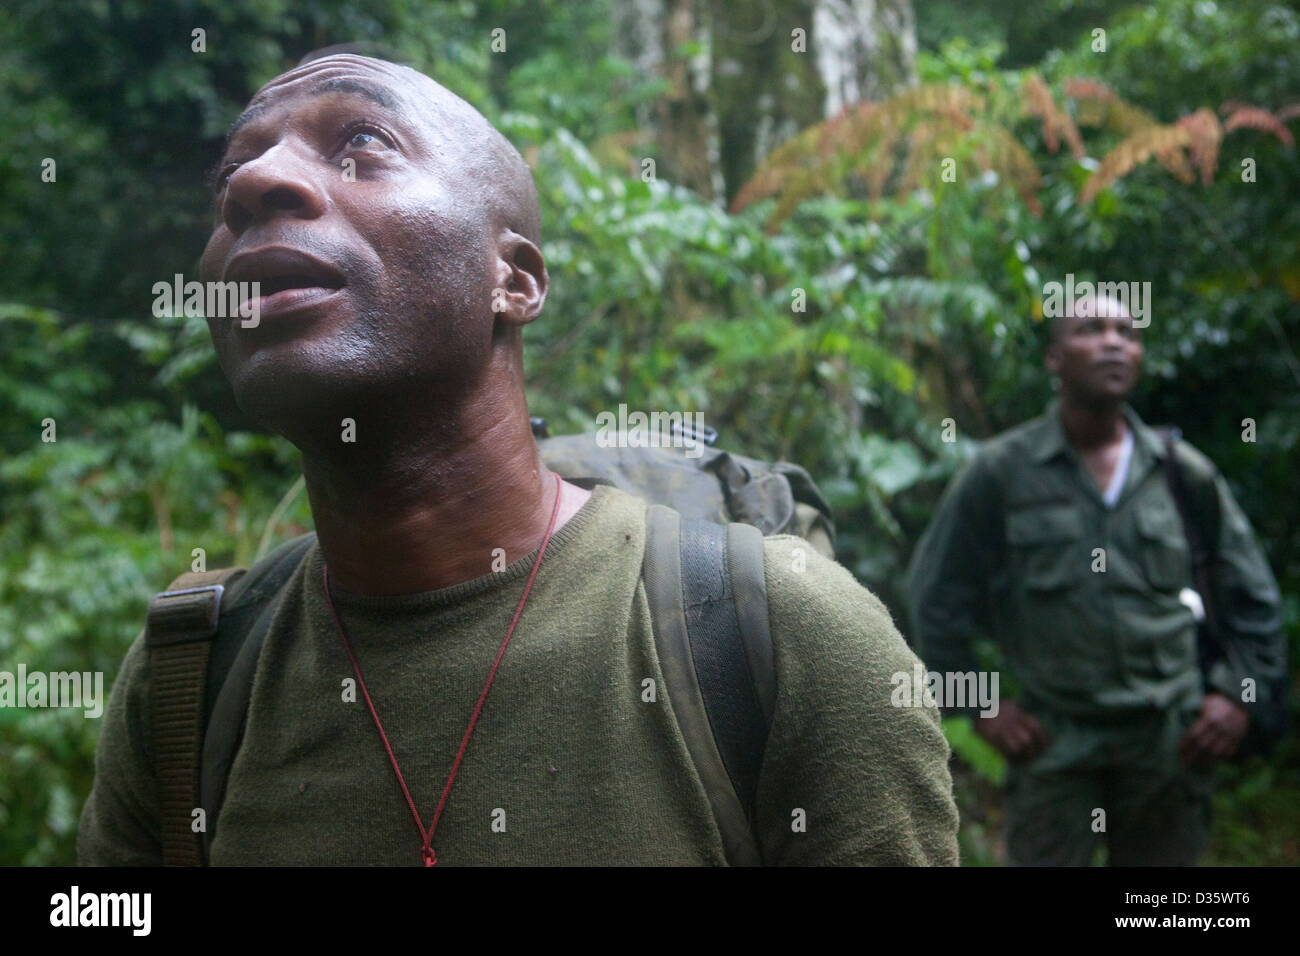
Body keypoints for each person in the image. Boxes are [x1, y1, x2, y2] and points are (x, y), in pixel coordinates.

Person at [77, 53, 959, 866]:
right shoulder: (192, 676)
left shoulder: (784, 635)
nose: (255, 184)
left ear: (516, 280)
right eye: (234, 173)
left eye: (362, 144)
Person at [907, 292, 1286, 866]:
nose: (1114, 341)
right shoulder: (1002, 474)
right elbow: (936, 591)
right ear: (1055, 358)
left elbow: (1253, 595)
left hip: (1170, 745)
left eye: (1128, 332)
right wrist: (981, 706)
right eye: (1091, 328)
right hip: (1054, 746)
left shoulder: (1181, 474)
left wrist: (1239, 696)